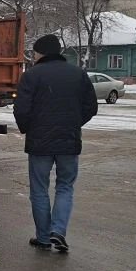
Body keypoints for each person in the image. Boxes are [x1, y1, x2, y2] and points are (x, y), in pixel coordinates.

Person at [13, 34, 98, 253]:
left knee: (39, 189)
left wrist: (29, 128)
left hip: (39, 143)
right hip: (69, 141)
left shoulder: (31, 76)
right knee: (65, 187)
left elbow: (21, 109)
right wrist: (73, 123)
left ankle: (43, 237)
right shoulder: (78, 74)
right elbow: (91, 107)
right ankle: (58, 231)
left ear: (40, 53)